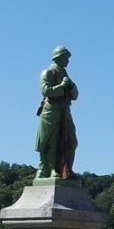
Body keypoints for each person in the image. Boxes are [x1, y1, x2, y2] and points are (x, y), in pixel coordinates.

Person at [35, 45, 78, 180]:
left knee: (71, 141)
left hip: (65, 110)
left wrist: (70, 85)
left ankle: (67, 169)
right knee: (50, 141)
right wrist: (62, 86)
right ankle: (52, 170)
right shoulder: (47, 73)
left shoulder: (65, 75)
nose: (68, 61)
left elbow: (75, 95)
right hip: (51, 110)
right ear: (58, 57)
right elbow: (46, 91)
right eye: (66, 58)